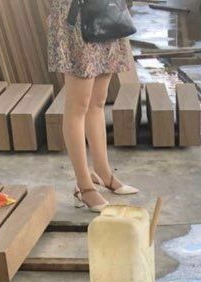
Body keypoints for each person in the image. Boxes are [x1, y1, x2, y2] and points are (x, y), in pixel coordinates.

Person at [48, 0, 139, 211]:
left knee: (97, 102)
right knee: (78, 106)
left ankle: (103, 173)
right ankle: (83, 185)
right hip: (76, 15)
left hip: (106, 11)